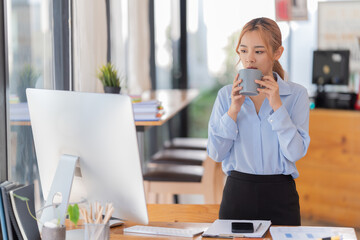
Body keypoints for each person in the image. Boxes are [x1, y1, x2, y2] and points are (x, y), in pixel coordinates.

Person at [207, 17, 310, 226]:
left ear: (277, 53)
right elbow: (216, 153)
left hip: (281, 197)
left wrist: (277, 106)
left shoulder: (297, 95)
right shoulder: (226, 96)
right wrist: (233, 111)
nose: (249, 59)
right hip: (237, 195)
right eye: (243, 51)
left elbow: (295, 153)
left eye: (259, 51)